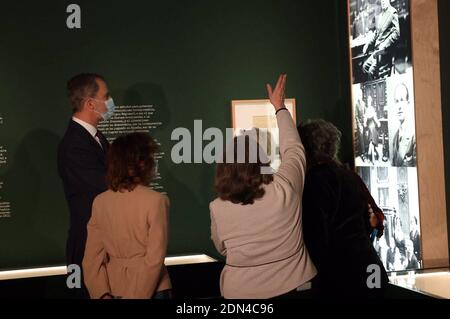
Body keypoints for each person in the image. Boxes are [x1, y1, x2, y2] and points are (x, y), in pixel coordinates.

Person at [210, 74, 317, 299]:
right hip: (293, 285)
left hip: (239, 292)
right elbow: (294, 150)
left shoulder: (217, 206)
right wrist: (279, 107)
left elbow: (221, 248)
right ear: (262, 160)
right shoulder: (283, 188)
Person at [298, 119, 389, 299]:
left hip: (341, 279)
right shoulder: (350, 176)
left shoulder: (311, 183)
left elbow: (316, 236)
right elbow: (369, 222)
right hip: (371, 270)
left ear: (304, 149)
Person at [82, 133, 171, 299]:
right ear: (143, 163)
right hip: (152, 289)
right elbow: (154, 259)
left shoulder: (100, 202)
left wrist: (101, 294)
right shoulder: (156, 201)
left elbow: (91, 260)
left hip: (113, 287)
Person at [57, 73, 114, 297]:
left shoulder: (96, 138)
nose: (110, 102)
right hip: (88, 246)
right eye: (106, 96)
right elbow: (105, 186)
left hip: (103, 241)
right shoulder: (74, 145)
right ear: (91, 103)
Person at [362, 0, 400, 78]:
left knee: (371, 71)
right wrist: (367, 44)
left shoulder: (392, 12)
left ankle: (377, 88)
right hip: (377, 51)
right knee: (364, 66)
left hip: (385, 52)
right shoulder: (381, 15)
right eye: (381, 0)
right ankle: (375, 86)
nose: (382, 2)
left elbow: (396, 33)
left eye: (384, 0)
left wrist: (384, 45)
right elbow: (376, 33)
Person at [391, 83, 416, 167]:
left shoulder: (414, 134)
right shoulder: (395, 138)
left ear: (408, 103)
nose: (399, 106)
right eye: (397, 101)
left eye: (402, 100)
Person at [365, 95, 381, 164]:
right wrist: (365, 123)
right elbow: (365, 118)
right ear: (367, 101)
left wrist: (378, 123)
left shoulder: (372, 108)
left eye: (369, 101)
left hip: (373, 127)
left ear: (371, 101)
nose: (368, 102)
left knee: (371, 143)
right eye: (368, 101)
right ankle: (376, 157)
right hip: (369, 127)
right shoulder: (366, 109)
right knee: (371, 143)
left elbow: (375, 117)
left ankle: (371, 158)